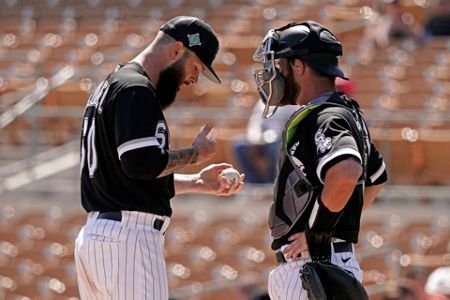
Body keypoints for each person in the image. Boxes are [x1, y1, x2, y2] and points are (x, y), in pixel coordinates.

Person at [74, 16, 245, 300]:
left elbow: (129, 175)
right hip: (128, 241)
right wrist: (195, 154)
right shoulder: (135, 88)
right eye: (196, 66)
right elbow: (141, 164)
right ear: (177, 50)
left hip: (101, 238)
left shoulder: (113, 84)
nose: (194, 79)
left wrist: (196, 182)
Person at [252, 20, 388, 299]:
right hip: (323, 263)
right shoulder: (344, 112)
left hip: (315, 266)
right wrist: (335, 221)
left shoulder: (326, 115)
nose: (275, 73)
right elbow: (376, 177)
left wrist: (319, 231)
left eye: (281, 65)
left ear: (299, 66)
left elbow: (347, 172)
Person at [233, 101, 298, 183]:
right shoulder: (263, 101)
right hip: (262, 139)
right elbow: (255, 122)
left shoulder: (292, 101)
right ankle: (253, 183)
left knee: (275, 149)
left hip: (281, 139)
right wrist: (255, 139)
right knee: (240, 146)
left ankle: (273, 183)